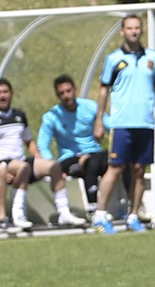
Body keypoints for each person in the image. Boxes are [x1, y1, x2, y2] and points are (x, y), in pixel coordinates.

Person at [93, 15, 155, 231]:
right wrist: (99, 120)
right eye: (129, 28)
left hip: (145, 123)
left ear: (141, 31)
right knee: (115, 168)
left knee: (138, 170)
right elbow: (103, 90)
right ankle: (99, 214)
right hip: (122, 123)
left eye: (137, 28)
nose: (133, 32)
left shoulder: (152, 58)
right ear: (122, 31)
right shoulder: (113, 59)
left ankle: (133, 215)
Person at [0, 78, 82, 231]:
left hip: (21, 160)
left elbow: (29, 141)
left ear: (11, 94)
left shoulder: (19, 115)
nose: (2, 96)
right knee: (23, 167)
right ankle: (18, 214)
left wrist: (39, 158)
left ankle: (64, 212)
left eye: (5, 92)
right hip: (3, 162)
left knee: (54, 166)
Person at [37, 75, 108, 221]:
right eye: (62, 93)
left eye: (68, 91)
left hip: (94, 153)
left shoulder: (90, 107)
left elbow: (110, 124)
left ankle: (131, 210)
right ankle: (93, 208)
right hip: (68, 159)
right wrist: (52, 166)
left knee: (119, 159)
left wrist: (103, 128)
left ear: (75, 90)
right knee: (89, 161)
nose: (66, 96)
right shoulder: (52, 116)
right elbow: (43, 144)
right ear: (58, 95)